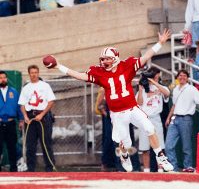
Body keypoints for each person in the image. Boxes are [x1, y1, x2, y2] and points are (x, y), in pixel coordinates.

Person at [47, 29, 174, 172]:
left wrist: (160, 43)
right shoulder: (99, 73)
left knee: (150, 128)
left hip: (132, 108)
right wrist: (59, 66)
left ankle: (160, 157)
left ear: (115, 59)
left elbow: (145, 57)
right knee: (126, 142)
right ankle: (124, 155)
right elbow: (79, 76)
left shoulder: (127, 66)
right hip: (117, 113)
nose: (104, 62)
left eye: (107, 59)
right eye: (103, 59)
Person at [165, 69, 199, 172]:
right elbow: (174, 105)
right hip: (175, 118)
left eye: (184, 75)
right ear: (177, 77)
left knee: (186, 146)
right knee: (168, 145)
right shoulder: (176, 89)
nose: (182, 77)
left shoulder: (191, 89)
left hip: (186, 119)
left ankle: (188, 166)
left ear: (187, 78)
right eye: (180, 75)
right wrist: (168, 117)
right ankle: (173, 167)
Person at [18, 65, 56, 172]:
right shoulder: (26, 87)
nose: (34, 74)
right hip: (30, 117)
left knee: (46, 143)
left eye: (36, 72)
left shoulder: (45, 86)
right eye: (32, 72)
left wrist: (42, 114)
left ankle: (49, 168)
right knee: (30, 145)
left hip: (43, 117)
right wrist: (25, 116)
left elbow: (51, 101)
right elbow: (22, 104)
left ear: (38, 73)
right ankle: (30, 169)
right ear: (29, 74)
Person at [136, 67, 170, 172]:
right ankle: (146, 170)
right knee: (145, 147)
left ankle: (160, 170)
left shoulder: (160, 88)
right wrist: (141, 89)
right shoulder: (142, 90)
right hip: (144, 119)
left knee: (159, 146)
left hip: (156, 119)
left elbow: (167, 93)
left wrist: (155, 83)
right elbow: (139, 103)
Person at [0, 71, 24, 172]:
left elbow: (19, 107)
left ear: (7, 79)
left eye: (4, 77)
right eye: (0, 78)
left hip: (11, 123)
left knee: (12, 147)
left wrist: (21, 120)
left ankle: (13, 169)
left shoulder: (14, 92)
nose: (3, 79)